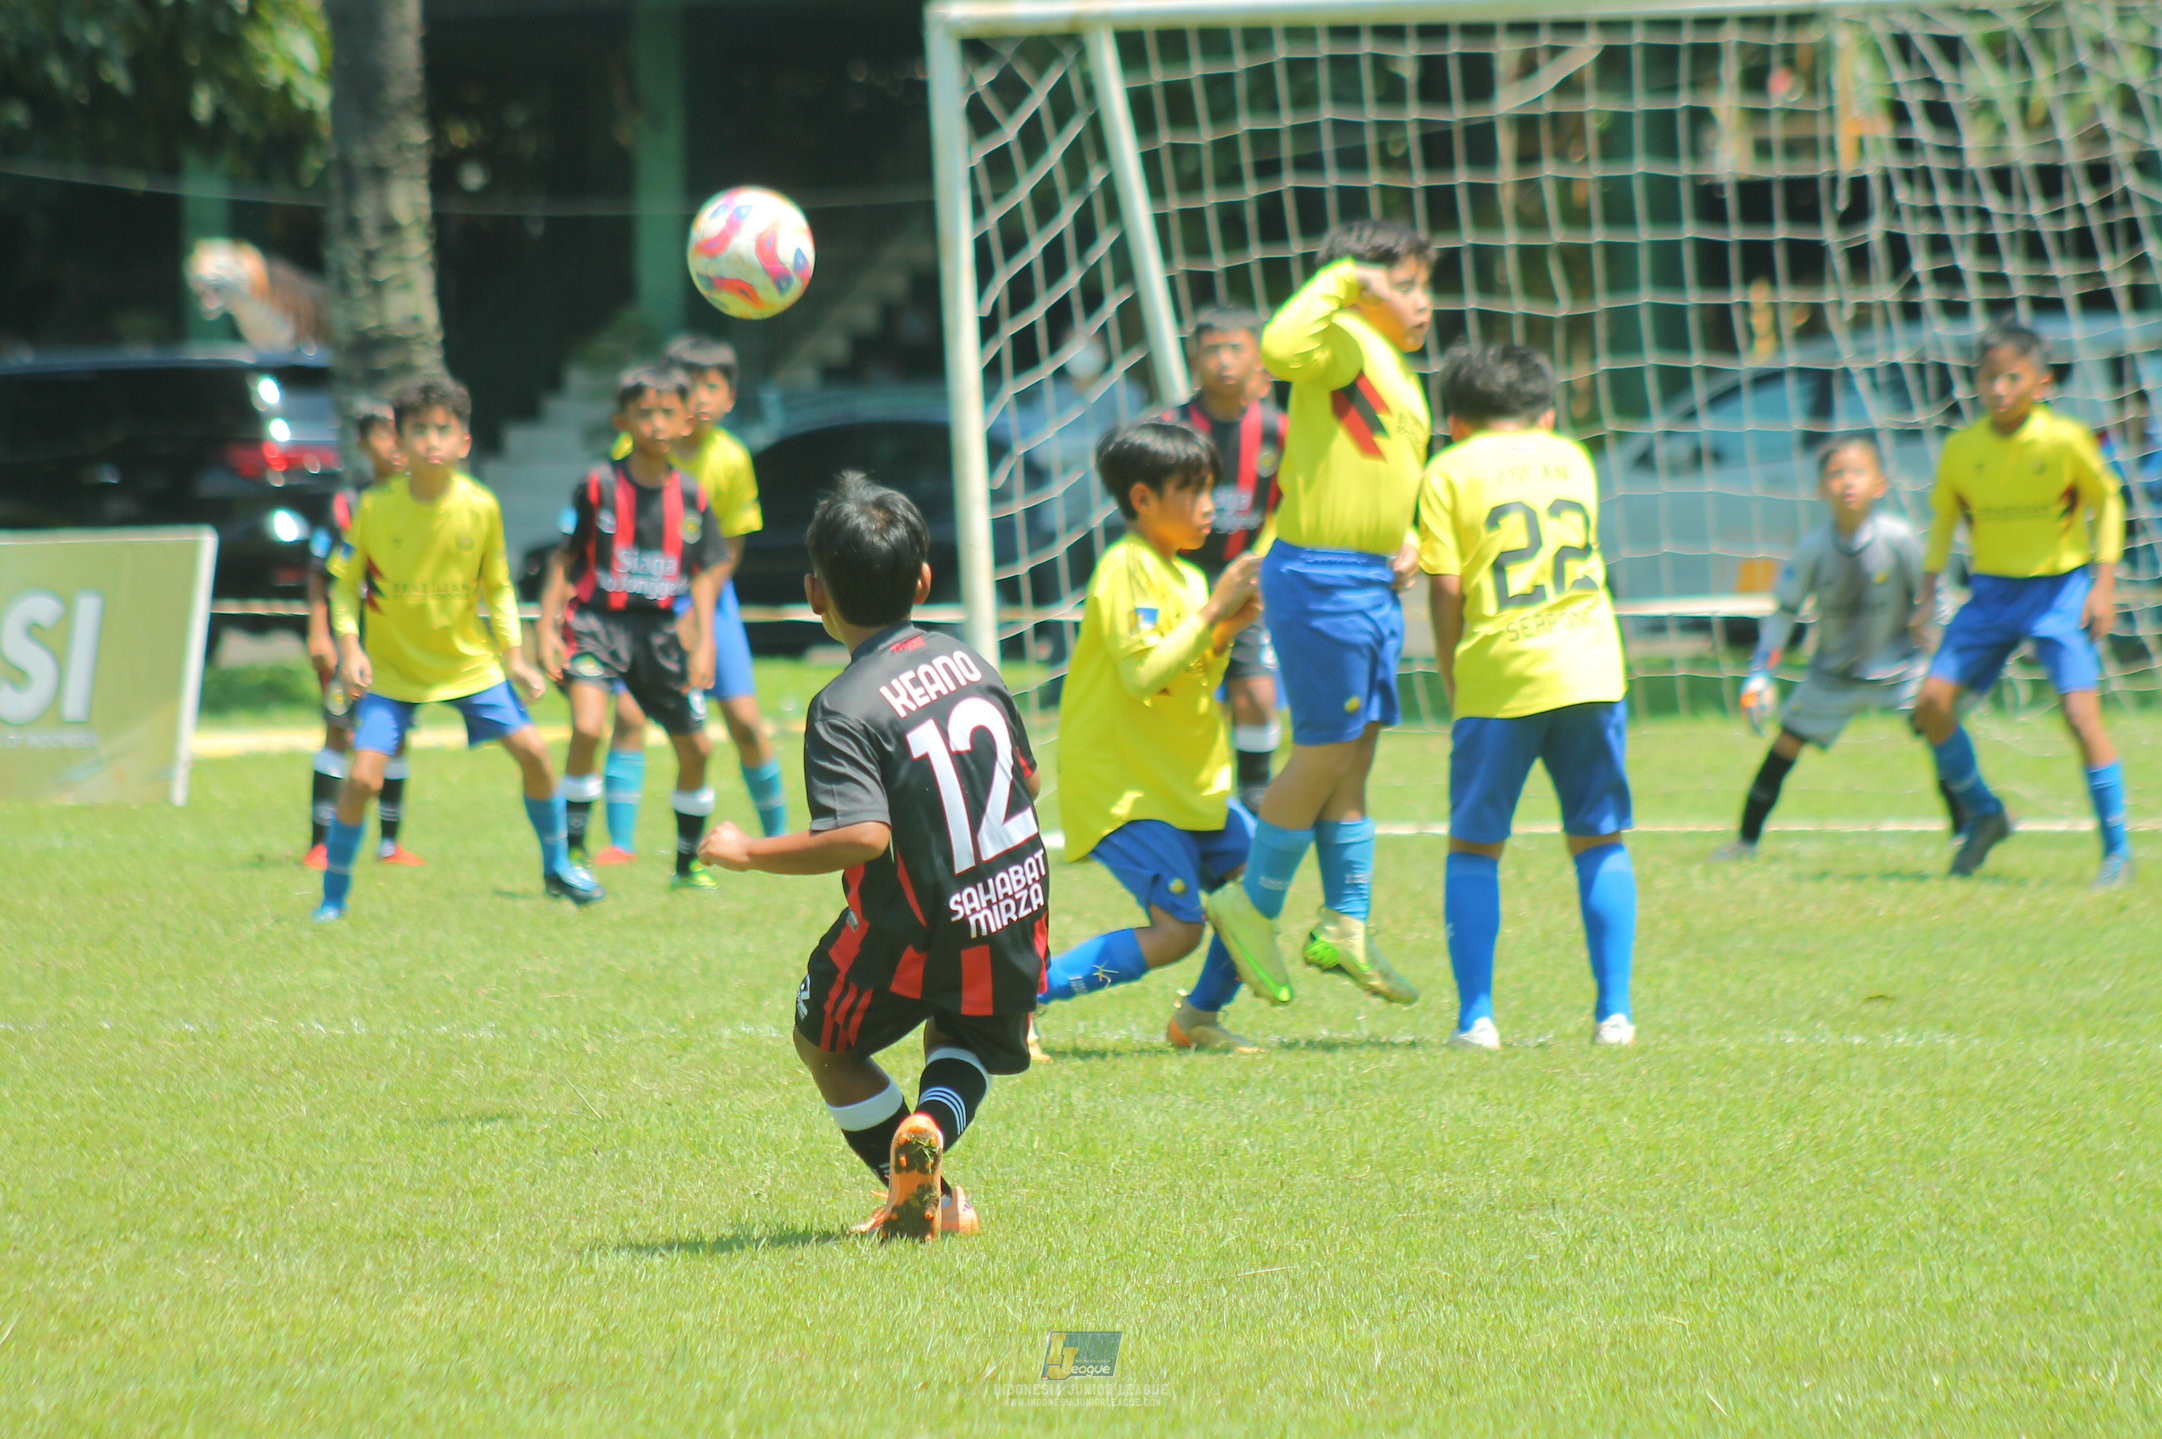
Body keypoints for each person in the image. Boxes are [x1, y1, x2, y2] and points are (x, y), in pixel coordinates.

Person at [700, 473, 1048, 1241]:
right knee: (963, 1041)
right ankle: (928, 1133)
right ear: (923, 580)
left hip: (911, 921)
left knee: (825, 1043)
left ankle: (930, 1194)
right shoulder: (967, 659)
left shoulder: (844, 704)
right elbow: (1026, 778)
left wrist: (749, 849)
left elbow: (863, 835)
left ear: (814, 593)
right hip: (1012, 896)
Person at [1202, 219, 1432, 1010]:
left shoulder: (1395, 368)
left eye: (1421, 284)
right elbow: (1281, 339)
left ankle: (1346, 921)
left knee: (1355, 753)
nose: (1422, 300)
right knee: (1328, 750)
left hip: (1370, 580)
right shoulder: (1341, 342)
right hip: (1326, 579)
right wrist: (1347, 278)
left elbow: (1385, 476)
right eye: (1406, 284)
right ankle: (1251, 905)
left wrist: (1411, 536)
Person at [314, 376, 603, 921]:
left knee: (536, 754)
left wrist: (515, 657)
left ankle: (557, 864)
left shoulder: (480, 507)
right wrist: (350, 649)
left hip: (470, 667)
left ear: (464, 441)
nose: (431, 441)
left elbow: (497, 585)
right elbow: (343, 586)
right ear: (397, 442)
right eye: (418, 430)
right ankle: (333, 894)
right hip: (395, 675)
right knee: (360, 779)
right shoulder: (373, 509)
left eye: (443, 429)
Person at [1418, 343, 1635, 1049]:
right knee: (1599, 837)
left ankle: (1476, 1017)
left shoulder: (1447, 469)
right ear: (1543, 412)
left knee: (1475, 847)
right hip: (1592, 667)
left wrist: (1454, 673)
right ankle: (1615, 1014)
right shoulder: (1572, 458)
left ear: (1453, 420)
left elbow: (1447, 587)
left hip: (1500, 673)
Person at [1039, 422, 1267, 1053]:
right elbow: (1143, 675)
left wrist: (1220, 633)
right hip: (1129, 790)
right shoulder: (1125, 569)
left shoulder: (1190, 580)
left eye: (1210, 489)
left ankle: (1196, 1018)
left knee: (1260, 882)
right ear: (1142, 499)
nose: (1207, 506)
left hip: (1188, 785)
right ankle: (1021, 999)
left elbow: (1190, 678)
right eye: (1191, 491)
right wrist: (1213, 615)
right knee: (1177, 931)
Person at [1911, 321, 2132, 887]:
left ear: (2043, 382)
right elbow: (1944, 520)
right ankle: (1985, 814)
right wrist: (1925, 593)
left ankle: (2117, 854)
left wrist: (2103, 585)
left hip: (2060, 593)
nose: (1999, 388)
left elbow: (2108, 504)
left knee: (2081, 717)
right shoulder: (1963, 449)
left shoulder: (2065, 439)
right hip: (1990, 594)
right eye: (1989, 377)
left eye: (2013, 377)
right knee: (1932, 706)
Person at [1711, 435, 1968, 858]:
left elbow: (1933, 597)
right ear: (1820, 488)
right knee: (1784, 746)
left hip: (1901, 668)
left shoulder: (1899, 538)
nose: (1847, 481)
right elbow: (1783, 613)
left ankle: (1965, 831)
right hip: (1831, 676)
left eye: (1857, 471)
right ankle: (1745, 840)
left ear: (1879, 483)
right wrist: (1760, 673)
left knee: (1939, 731)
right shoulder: (1812, 550)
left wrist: (1940, 650)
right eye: (1836, 473)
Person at [538, 366, 726, 891]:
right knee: (590, 727)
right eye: (645, 413)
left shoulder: (692, 495)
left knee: (699, 750)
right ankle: (571, 856)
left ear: (687, 421)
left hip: (662, 633)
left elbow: (706, 573)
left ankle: (687, 862)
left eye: (669, 412)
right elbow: (563, 559)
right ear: (623, 420)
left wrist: (705, 640)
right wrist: (546, 629)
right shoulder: (597, 484)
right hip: (597, 624)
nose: (657, 423)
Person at [604, 335, 787, 850]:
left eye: (714, 387)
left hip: (712, 597)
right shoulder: (632, 451)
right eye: (692, 388)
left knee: (746, 722)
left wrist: (696, 609)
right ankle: (620, 846)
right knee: (629, 715)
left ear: (730, 399)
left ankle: (777, 834)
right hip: (642, 597)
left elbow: (729, 548)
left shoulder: (730, 459)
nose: (702, 399)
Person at [1157, 305, 1290, 813]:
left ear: (1258, 357)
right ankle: (1173, 794)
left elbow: (1293, 503)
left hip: (1245, 578)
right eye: (1212, 349)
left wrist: (1266, 561)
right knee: (1173, 693)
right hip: (1181, 578)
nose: (1224, 361)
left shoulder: (1280, 430)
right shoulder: (1172, 426)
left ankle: (1256, 794)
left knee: (1255, 695)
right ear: (1195, 359)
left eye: (1236, 348)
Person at [303, 400, 422, 869]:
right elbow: (318, 575)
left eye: (401, 434)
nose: (393, 446)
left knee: (397, 736)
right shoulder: (347, 503)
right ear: (362, 443)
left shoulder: (423, 502)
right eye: (382, 435)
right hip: (350, 638)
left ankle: (390, 844)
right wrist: (320, 633)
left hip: (400, 643)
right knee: (338, 730)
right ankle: (320, 841)